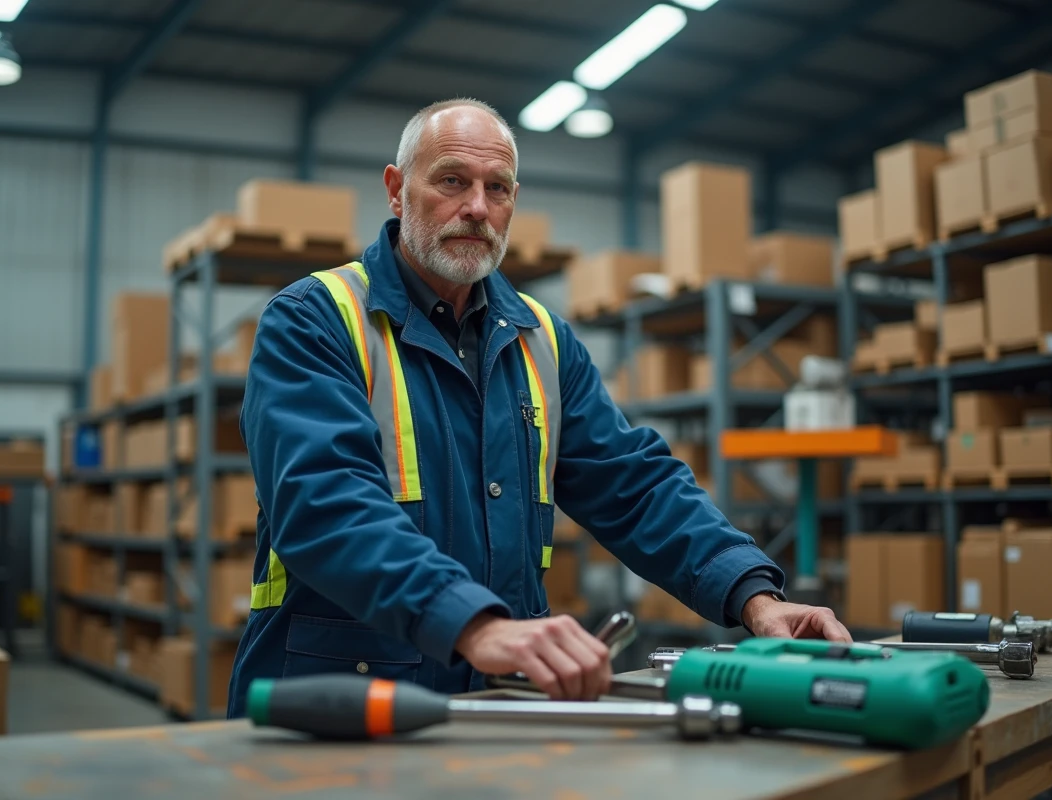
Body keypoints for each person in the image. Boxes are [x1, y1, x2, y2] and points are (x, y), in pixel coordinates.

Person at [226, 97, 851, 717]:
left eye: (497, 188)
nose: (476, 207)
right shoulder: (316, 320)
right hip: (347, 702)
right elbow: (324, 504)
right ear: (396, 190)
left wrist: (753, 596)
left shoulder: (541, 339)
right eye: (452, 180)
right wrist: (473, 623)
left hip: (501, 706)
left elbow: (633, 485)